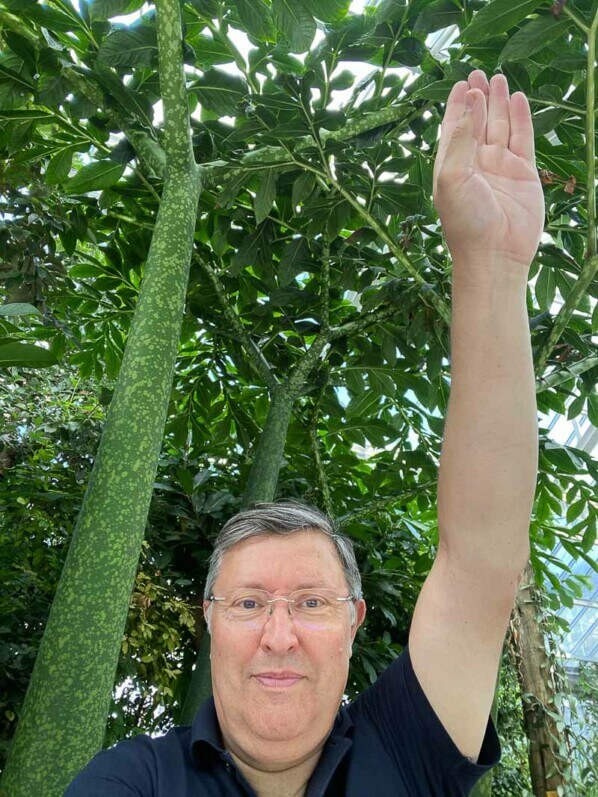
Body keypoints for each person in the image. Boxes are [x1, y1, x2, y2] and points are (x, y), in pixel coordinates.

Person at [65, 68, 544, 796]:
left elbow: (482, 560)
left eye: (312, 603)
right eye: (249, 602)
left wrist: (493, 268)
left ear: (354, 621)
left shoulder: (406, 746)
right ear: (210, 619)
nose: (278, 635)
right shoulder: (134, 779)